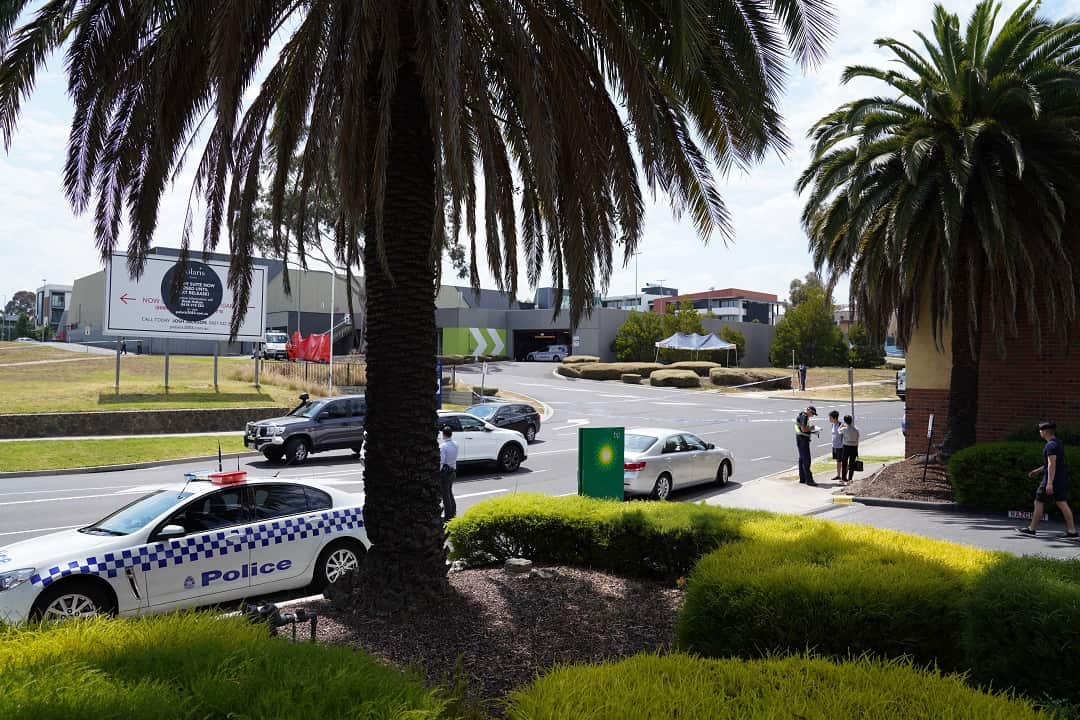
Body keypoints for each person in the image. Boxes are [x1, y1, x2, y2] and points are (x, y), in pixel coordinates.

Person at [1018, 422, 1077, 539]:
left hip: (1051, 479)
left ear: (1045, 432)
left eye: (1040, 430)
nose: (1039, 432)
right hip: (1059, 478)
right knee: (1062, 503)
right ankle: (1072, 531)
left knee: (1038, 501)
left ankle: (1032, 529)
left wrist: (1049, 483)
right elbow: (1050, 463)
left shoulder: (1050, 446)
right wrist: (1038, 470)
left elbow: (1052, 464)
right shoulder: (1058, 443)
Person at [438, 425, 459, 523]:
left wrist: (438, 472)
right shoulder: (455, 444)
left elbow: (441, 461)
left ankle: (448, 517)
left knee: (445, 495)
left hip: (445, 473)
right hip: (453, 471)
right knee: (449, 492)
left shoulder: (443, 446)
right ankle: (453, 513)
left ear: (443, 434)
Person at [795, 406, 819, 486]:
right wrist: (811, 428)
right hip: (803, 440)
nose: (812, 415)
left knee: (802, 459)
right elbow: (804, 429)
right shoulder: (804, 416)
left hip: (800, 439)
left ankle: (802, 478)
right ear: (808, 410)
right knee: (806, 460)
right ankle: (809, 480)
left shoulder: (802, 416)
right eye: (812, 413)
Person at [841, 415, 860, 485]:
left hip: (846, 447)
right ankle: (850, 479)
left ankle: (843, 479)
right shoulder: (856, 429)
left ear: (845, 421)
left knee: (844, 463)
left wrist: (841, 426)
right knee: (852, 464)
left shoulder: (844, 429)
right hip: (854, 447)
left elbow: (838, 431)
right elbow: (857, 439)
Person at [828, 410, 843, 481]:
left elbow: (844, 435)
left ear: (834, 418)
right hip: (834, 446)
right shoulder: (832, 425)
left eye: (830, 418)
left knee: (843, 462)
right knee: (838, 461)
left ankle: (844, 476)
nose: (829, 419)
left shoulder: (840, 425)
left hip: (841, 447)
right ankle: (838, 475)